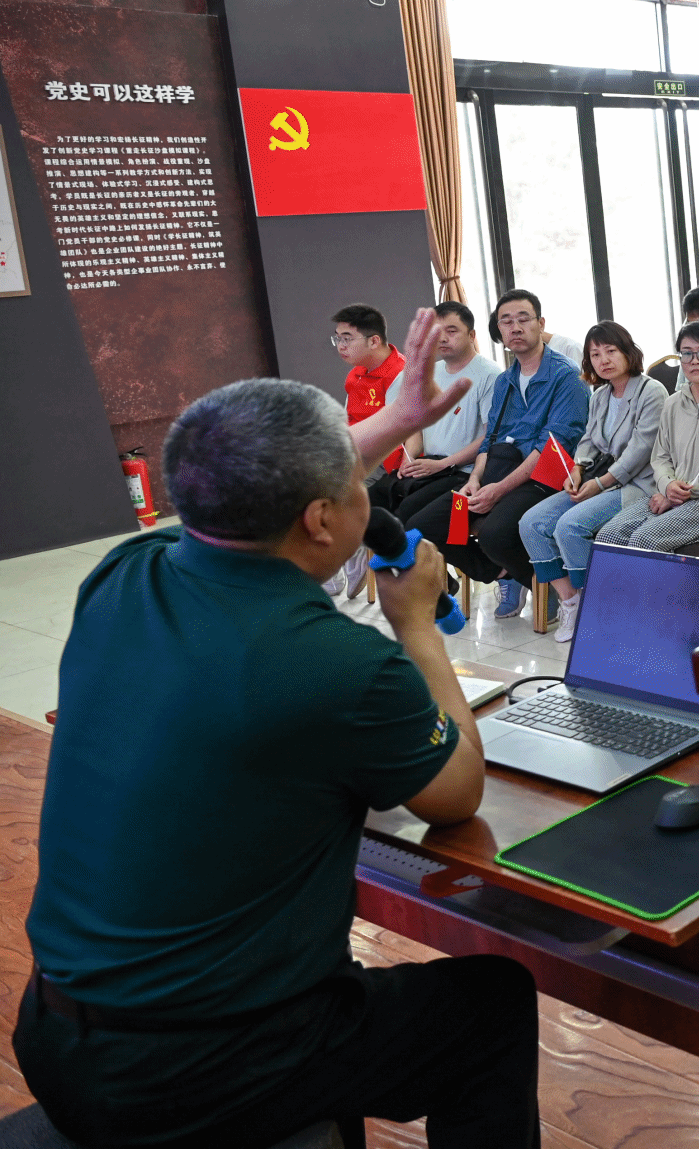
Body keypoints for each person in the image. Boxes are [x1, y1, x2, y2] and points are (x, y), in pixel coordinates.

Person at [19, 316, 540, 1147]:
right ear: (321, 521)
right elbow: (457, 794)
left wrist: (398, 420)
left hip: (57, 1036)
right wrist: (417, 625)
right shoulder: (336, 661)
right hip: (202, 1070)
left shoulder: (123, 574)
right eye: (355, 481)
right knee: (492, 1005)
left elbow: (265, 490)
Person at [408, 290, 588, 624]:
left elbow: (552, 447)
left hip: (544, 476)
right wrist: (476, 479)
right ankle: (508, 572)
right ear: (499, 331)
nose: (515, 327)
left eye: (523, 319)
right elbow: (490, 438)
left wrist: (499, 489)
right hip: (498, 470)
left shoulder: (566, 377)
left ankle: (546, 588)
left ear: (541, 324)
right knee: (425, 525)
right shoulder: (506, 380)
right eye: (506, 321)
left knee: (494, 532)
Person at [518, 322, 664, 643]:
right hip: (599, 477)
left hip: (638, 484)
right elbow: (588, 441)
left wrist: (599, 483)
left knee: (569, 527)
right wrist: (577, 469)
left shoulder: (651, 391)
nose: (603, 360)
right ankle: (572, 602)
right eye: (595, 354)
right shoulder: (600, 395)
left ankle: (598, 606)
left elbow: (640, 451)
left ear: (628, 352)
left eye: (611, 351)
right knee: (531, 523)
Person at [595, 321, 699, 563]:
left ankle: (655, 591)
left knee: (644, 541)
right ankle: (625, 591)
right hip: (673, 492)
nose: (694, 361)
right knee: (608, 537)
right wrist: (667, 485)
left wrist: (675, 495)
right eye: (687, 353)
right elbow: (660, 457)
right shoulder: (673, 403)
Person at [386, 301, 499, 530]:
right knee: (384, 505)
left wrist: (442, 465)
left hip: (465, 473)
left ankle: (478, 559)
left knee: (417, 520)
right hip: (433, 467)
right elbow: (418, 427)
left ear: (471, 335)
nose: (443, 339)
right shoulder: (431, 371)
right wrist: (410, 458)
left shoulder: (490, 375)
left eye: (452, 331)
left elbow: (491, 438)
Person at [330, 303, 406, 596]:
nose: (341, 345)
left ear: (374, 340)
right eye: (337, 338)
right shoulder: (355, 375)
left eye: (347, 338)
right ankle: (335, 566)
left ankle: (348, 554)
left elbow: (399, 435)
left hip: (390, 461)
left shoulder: (401, 374)